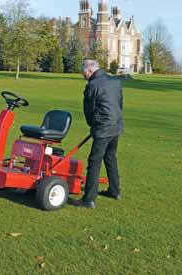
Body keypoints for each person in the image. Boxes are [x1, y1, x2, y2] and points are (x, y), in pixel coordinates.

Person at [72, 60, 123, 209]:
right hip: (116, 126)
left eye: (83, 73)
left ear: (89, 71)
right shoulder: (115, 81)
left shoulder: (92, 85)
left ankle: (89, 200)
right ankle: (115, 191)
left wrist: (93, 125)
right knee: (110, 158)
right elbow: (120, 103)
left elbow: (88, 110)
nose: (84, 76)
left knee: (94, 162)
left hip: (103, 128)